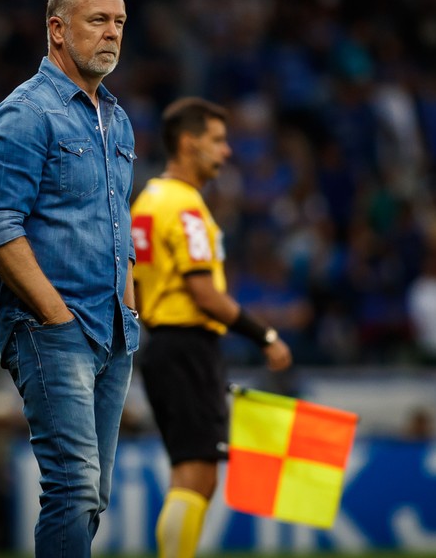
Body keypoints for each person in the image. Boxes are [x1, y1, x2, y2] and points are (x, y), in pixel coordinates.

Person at [0, 0, 140, 558]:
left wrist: (129, 306)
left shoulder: (116, 120)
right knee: (71, 486)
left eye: (119, 22)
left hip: (113, 328)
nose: (112, 34)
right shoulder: (24, 114)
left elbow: (121, 230)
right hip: (55, 329)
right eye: (98, 21)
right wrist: (56, 315)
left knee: (91, 491)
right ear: (57, 29)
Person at [131, 96, 293, 558]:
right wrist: (266, 335)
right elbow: (204, 293)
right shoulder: (184, 207)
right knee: (195, 474)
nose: (226, 152)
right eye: (218, 141)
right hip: (187, 345)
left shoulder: (147, 201)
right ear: (188, 143)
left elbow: (137, 290)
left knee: (192, 472)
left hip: (163, 345)